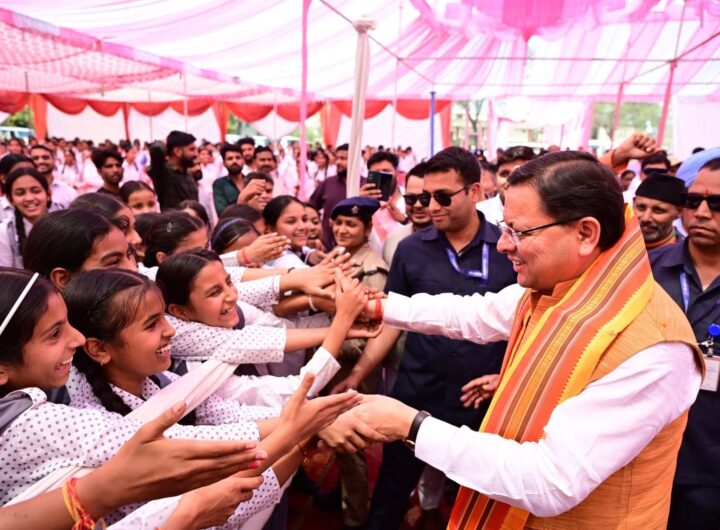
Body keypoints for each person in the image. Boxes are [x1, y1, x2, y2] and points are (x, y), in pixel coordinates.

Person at [351, 150, 701, 529]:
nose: (503, 245)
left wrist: (412, 425)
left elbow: (551, 482)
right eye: (504, 228)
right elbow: (473, 314)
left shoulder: (654, 349)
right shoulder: (561, 290)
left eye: (519, 232)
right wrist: (374, 307)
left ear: (586, 233)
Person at [337, 147, 517, 530]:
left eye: (442, 197)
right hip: (416, 390)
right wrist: (358, 374)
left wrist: (508, 378)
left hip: (480, 397)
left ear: (474, 191)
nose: (430, 207)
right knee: (390, 491)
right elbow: (394, 321)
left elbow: (525, 323)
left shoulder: (508, 249)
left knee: (477, 497)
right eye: (422, 197)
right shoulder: (410, 250)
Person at [650, 157, 720, 529]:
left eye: (717, 204)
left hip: (710, 463)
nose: (702, 213)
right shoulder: (645, 270)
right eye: (693, 202)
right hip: (640, 452)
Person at [0, 168, 58, 268]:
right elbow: (5, 274)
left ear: (48, 194)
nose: (29, 198)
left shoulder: (63, 225)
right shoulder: (5, 232)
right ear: (11, 200)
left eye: (36, 191)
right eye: (20, 193)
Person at [382, 162, 432, 264]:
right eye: (411, 198)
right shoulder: (392, 241)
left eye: (424, 198)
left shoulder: (454, 243)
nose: (418, 205)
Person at [476, 145, 535, 224]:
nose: (510, 180)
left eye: (520, 175)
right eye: (504, 174)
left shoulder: (546, 215)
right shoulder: (478, 214)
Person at [308, 143, 349, 250]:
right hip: (328, 246)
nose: (338, 162)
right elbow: (311, 207)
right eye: (337, 158)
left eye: (343, 158)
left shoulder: (364, 185)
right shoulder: (328, 183)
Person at [148, 131, 199, 210]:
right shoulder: (163, 174)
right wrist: (166, 141)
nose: (196, 154)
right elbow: (156, 149)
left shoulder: (188, 175)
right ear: (177, 151)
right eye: (192, 149)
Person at [632, 174, 685, 249]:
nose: (645, 218)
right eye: (641, 208)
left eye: (658, 211)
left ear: (679, 212)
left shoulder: (688, 253)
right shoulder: (616, 238)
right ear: (633, 203)